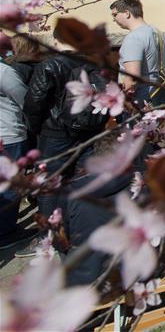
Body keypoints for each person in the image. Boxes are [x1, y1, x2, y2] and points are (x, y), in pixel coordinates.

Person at [19, 27, 111, 258]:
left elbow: (34, 103)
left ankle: (50, 237)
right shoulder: (94, 63)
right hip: (89, 132)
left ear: (58, 40)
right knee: (81, 182)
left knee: (50, 187)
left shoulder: (50, 65)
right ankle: (84, 230)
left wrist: (35, 129)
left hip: (55, 135)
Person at [0, 61, 36, 249]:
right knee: (11, 186)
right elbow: (27, 101)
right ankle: (6, 233)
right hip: (9, 135)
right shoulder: (4, 72)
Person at [109, 0, 165, 108]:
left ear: (127, 13)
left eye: (115, 15)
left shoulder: (134, 38)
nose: (114, 19)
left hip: (141, 103)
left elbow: (132, 79)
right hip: (159, 98)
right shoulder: (159, 34)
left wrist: (123, 102)